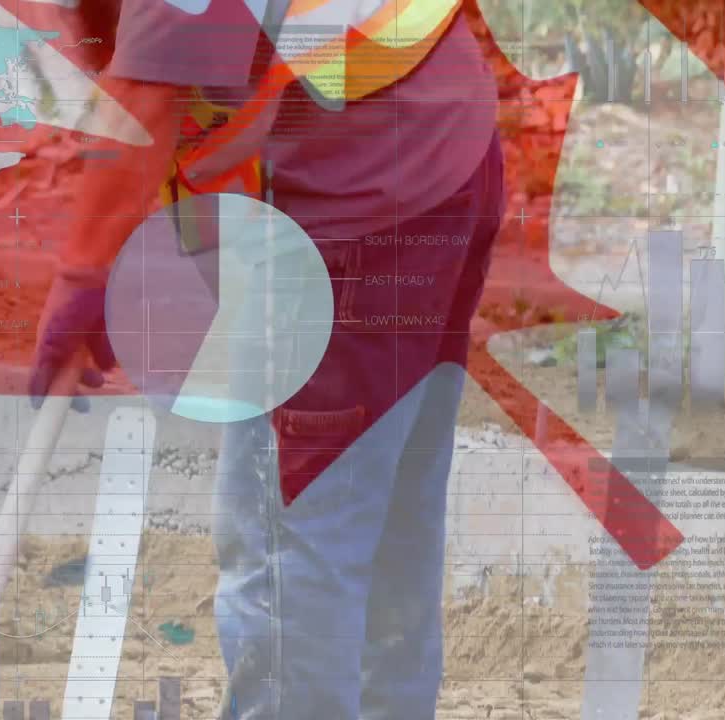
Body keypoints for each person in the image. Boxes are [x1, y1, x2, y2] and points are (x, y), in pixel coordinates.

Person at [28, 0, 504, 715]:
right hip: (443, 157)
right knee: (383, 516)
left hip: (356, 205)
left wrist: (86, 279)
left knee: (290, 547)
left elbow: (151, 91)